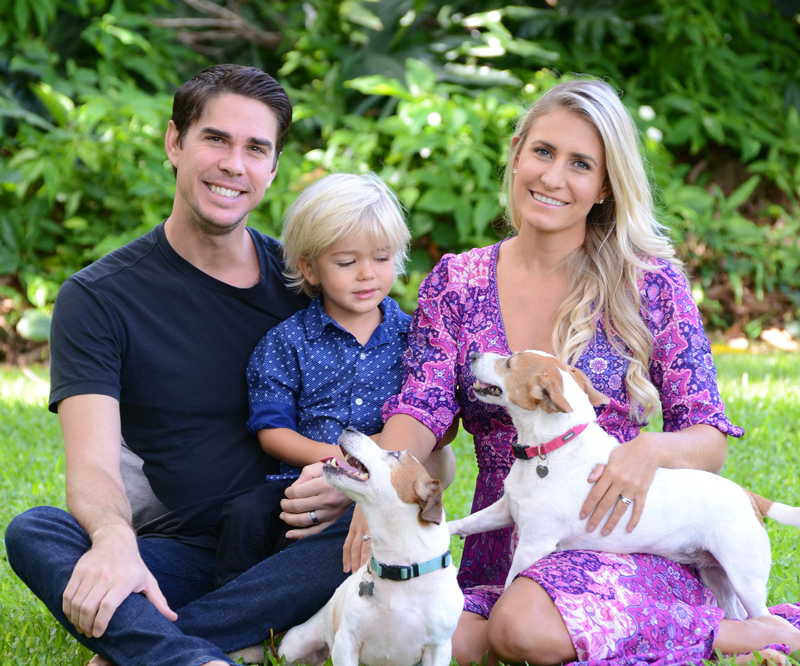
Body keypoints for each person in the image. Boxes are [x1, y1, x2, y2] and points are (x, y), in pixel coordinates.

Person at [367, 78, 800, 666]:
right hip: (510, 539)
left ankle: (725, 631)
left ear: (602, 188)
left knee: (520, 630)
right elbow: (420, 410)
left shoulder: (649, 284)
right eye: (543, 152)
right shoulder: (456, 281)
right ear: (517, 152)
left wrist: (650, 450)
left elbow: (709, 437)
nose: (552, 177)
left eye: (580, 165)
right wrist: (382, 485)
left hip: (623, 541)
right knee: (456, 642)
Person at [3, 64, 364, 666]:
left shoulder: (309, 283)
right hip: (180, 551)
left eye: (256, 148)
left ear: (273, 169)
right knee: (37, 532)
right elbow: (91, 465)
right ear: (175, 142)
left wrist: (350, 487)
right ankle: (199, 654)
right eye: (215, 139)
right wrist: (115, 541)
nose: (233, 164)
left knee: (355, 539)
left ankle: (149, 645)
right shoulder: (100, 297)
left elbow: (416, 411)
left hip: (293, 540)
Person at [213, 172, 412, 588]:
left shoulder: (413, 338)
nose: (366, 274)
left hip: (384, 485)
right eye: (346, 262)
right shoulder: (286, 342)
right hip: (302, 482)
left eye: (381, 258)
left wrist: (366, 466)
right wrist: (336, 462)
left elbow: (433, 421)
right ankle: (233, 605)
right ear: (310, 267)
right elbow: (272, 431)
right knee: (245, 516)